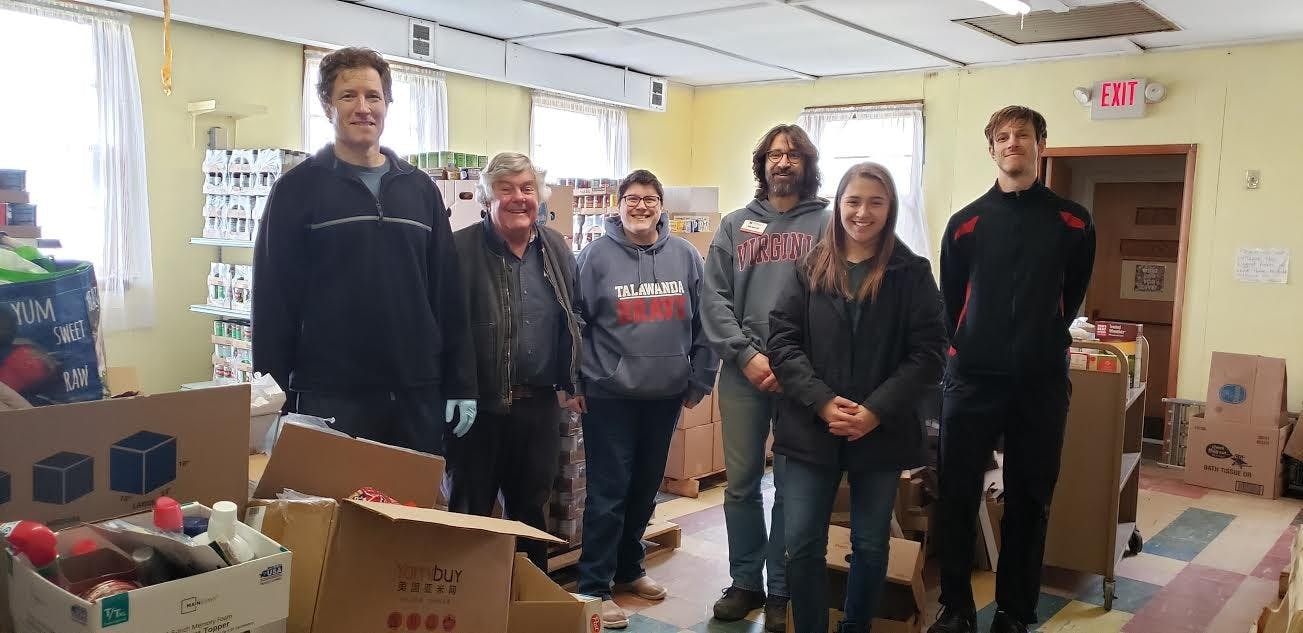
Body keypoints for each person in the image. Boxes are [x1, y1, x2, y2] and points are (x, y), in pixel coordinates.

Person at [252, 47, 476, 456]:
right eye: (348, 96)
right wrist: (270, 401)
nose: (363, 108)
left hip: (415, 393)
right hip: (331, 394)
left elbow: (447, 295)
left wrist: (461, 382)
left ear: (387, 104)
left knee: (411, 515)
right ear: (327, 106)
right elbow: (273, 303)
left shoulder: (420, 189)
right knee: (333, 514)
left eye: (373, 96)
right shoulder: (296, 191)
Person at [929, 106, 1096, 633]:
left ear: (1040, 144)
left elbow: (1070, 300)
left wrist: (1037, 341)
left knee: (1029, 500)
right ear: (992, 149)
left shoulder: (1073, 221)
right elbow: (952, 301)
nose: (1012, 143)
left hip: (1039, 381)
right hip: (971, 379)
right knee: (956, 496)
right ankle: (955, 609)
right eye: (1002, 137)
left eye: (1022, 135)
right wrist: (972, 350)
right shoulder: (965, 224)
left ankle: (1014, 613)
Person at [768, 162, 946, 633]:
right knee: (802, 543)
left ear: (889, 209)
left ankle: (855, 627)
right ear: (838, 205)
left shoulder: (911, 272)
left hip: (879, 431)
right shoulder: (809, 266)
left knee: (870, 544)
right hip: (811, 426)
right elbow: (783, 342)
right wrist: (823, 401)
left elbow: (929, 355)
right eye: (853, 201)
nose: (862, 213)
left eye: (875, 202)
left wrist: (874, 411)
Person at [573, 169, 720, 629]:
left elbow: (706, 322)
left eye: (649, 199)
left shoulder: (685, 256)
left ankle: (629, 569)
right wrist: (575, 383)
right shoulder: (594, 256)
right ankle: (594, 586)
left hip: (665, 395)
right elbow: (575, 325)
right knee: (608, 492)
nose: (641, 206)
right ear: (618, 205)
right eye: (632, 199)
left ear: (661, 206)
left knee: (644, 489)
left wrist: (700, 380)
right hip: (609, 394)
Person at [702, 124, 830, 631]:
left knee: (792, 487)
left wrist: (790, 363)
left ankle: (781, 588)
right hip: (742, 375)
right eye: (775, 154)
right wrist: (746, 356)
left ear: (807, 164)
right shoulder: (735, 225)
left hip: (802, 378)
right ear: (762, 164)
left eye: (794, 155)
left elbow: (834, 299)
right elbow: (713, 298)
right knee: (741, 485)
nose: (784, 162)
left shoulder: (828, 224)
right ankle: (745, 582)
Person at [447, 151, 584, 572]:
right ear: (488, 197)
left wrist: (572, 378)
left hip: (538, 405)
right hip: (478, 409)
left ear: (539, 197)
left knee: (530, 511)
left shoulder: (555, 247)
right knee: (469, 510)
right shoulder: (459, 248)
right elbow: (447, 326)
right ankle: (465, 601)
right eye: (506, 189)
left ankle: (526, 600)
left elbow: (572, 313)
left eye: (527, 189)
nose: (518, 198)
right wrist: (458, 387)